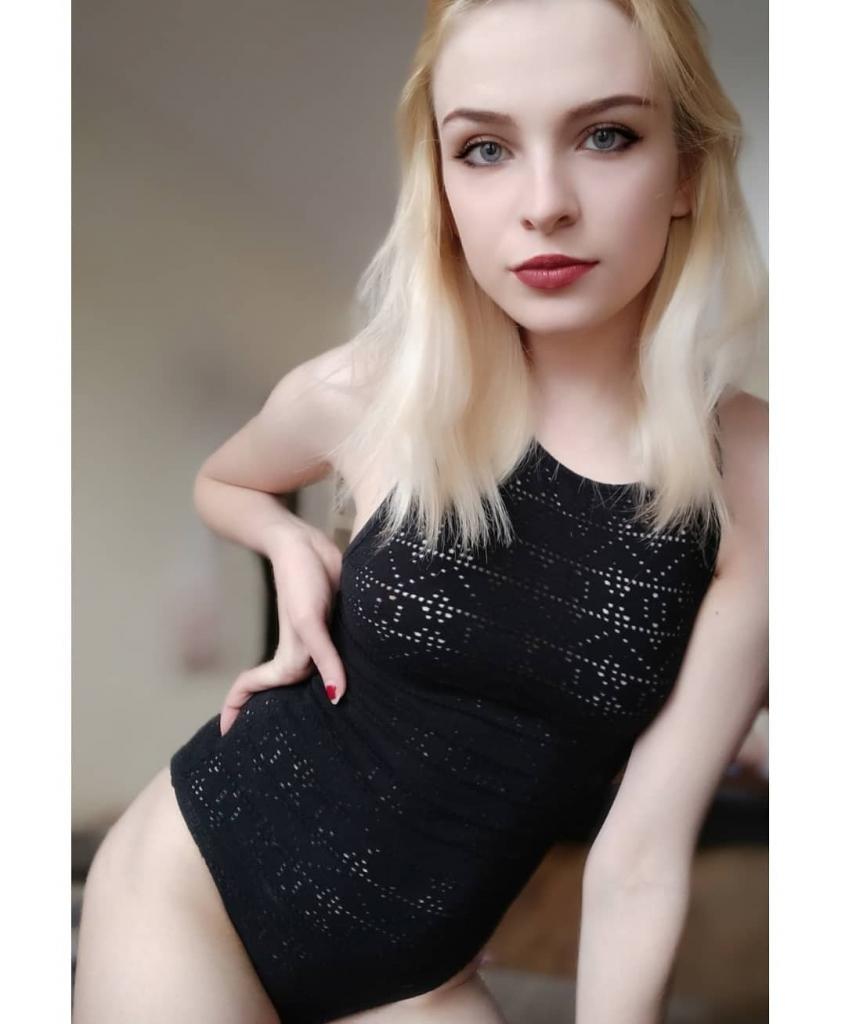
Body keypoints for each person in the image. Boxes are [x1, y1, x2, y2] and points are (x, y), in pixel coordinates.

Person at [72, 0, 768, 1021]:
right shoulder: (373, 388)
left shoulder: (756, 473)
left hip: (417, 979)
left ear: (686, 173)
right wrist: (289, 543)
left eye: (605, 135)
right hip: (191, 890)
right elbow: (225, 479)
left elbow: (639, 858)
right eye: (484, 149)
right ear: (441, 183)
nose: (543, 205)